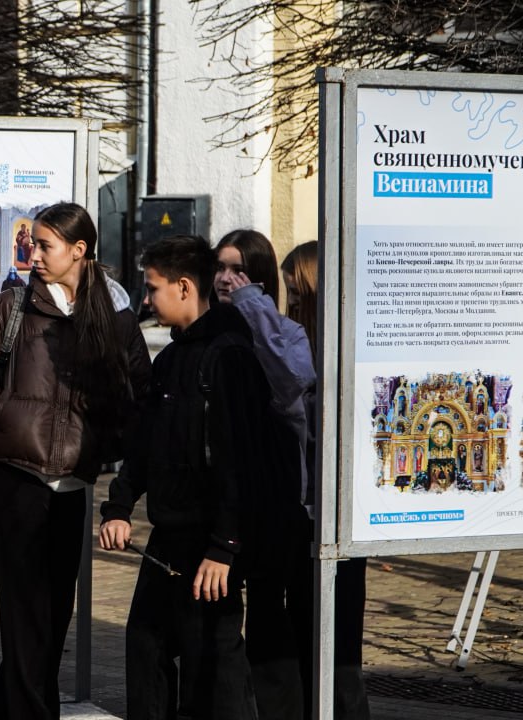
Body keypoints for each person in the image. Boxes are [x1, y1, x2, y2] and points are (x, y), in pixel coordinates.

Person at [0, 202, 150, 720]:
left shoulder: (115, 319)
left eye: (44, 245)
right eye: (32, 244)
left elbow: (139, 397)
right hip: (14, 479)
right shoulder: (11, 307)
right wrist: (6, 413)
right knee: (25, 615)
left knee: (52, 618)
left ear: (79, 251)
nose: (32, 253)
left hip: (74, 485)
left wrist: (105, 439)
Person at [100, 234, 282, 720]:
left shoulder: (229, 358)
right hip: (169, 537)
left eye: (153, 288)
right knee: (145, 645)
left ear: (184, 288)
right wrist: (119, 506)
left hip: (213, 544)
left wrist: (224, 547)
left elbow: (239, 461)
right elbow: (145, 444)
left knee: (214, 666)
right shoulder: (171, 359)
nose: (146, 299)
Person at [213, 229, 316, 720]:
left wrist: (252, 303)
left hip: (283, 502)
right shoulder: (216, 332)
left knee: (283, 624)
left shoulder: (286, 335)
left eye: (238, 269)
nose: (225, 279)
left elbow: (291, 382)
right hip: (237, 502)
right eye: (220, 268)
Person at [280, 240, 371, 720]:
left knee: (341, 652)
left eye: (298, 293)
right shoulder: (299, 344)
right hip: (304, 513)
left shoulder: (332, 354)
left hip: (335, 514)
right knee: (306, 636)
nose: (291, 304)